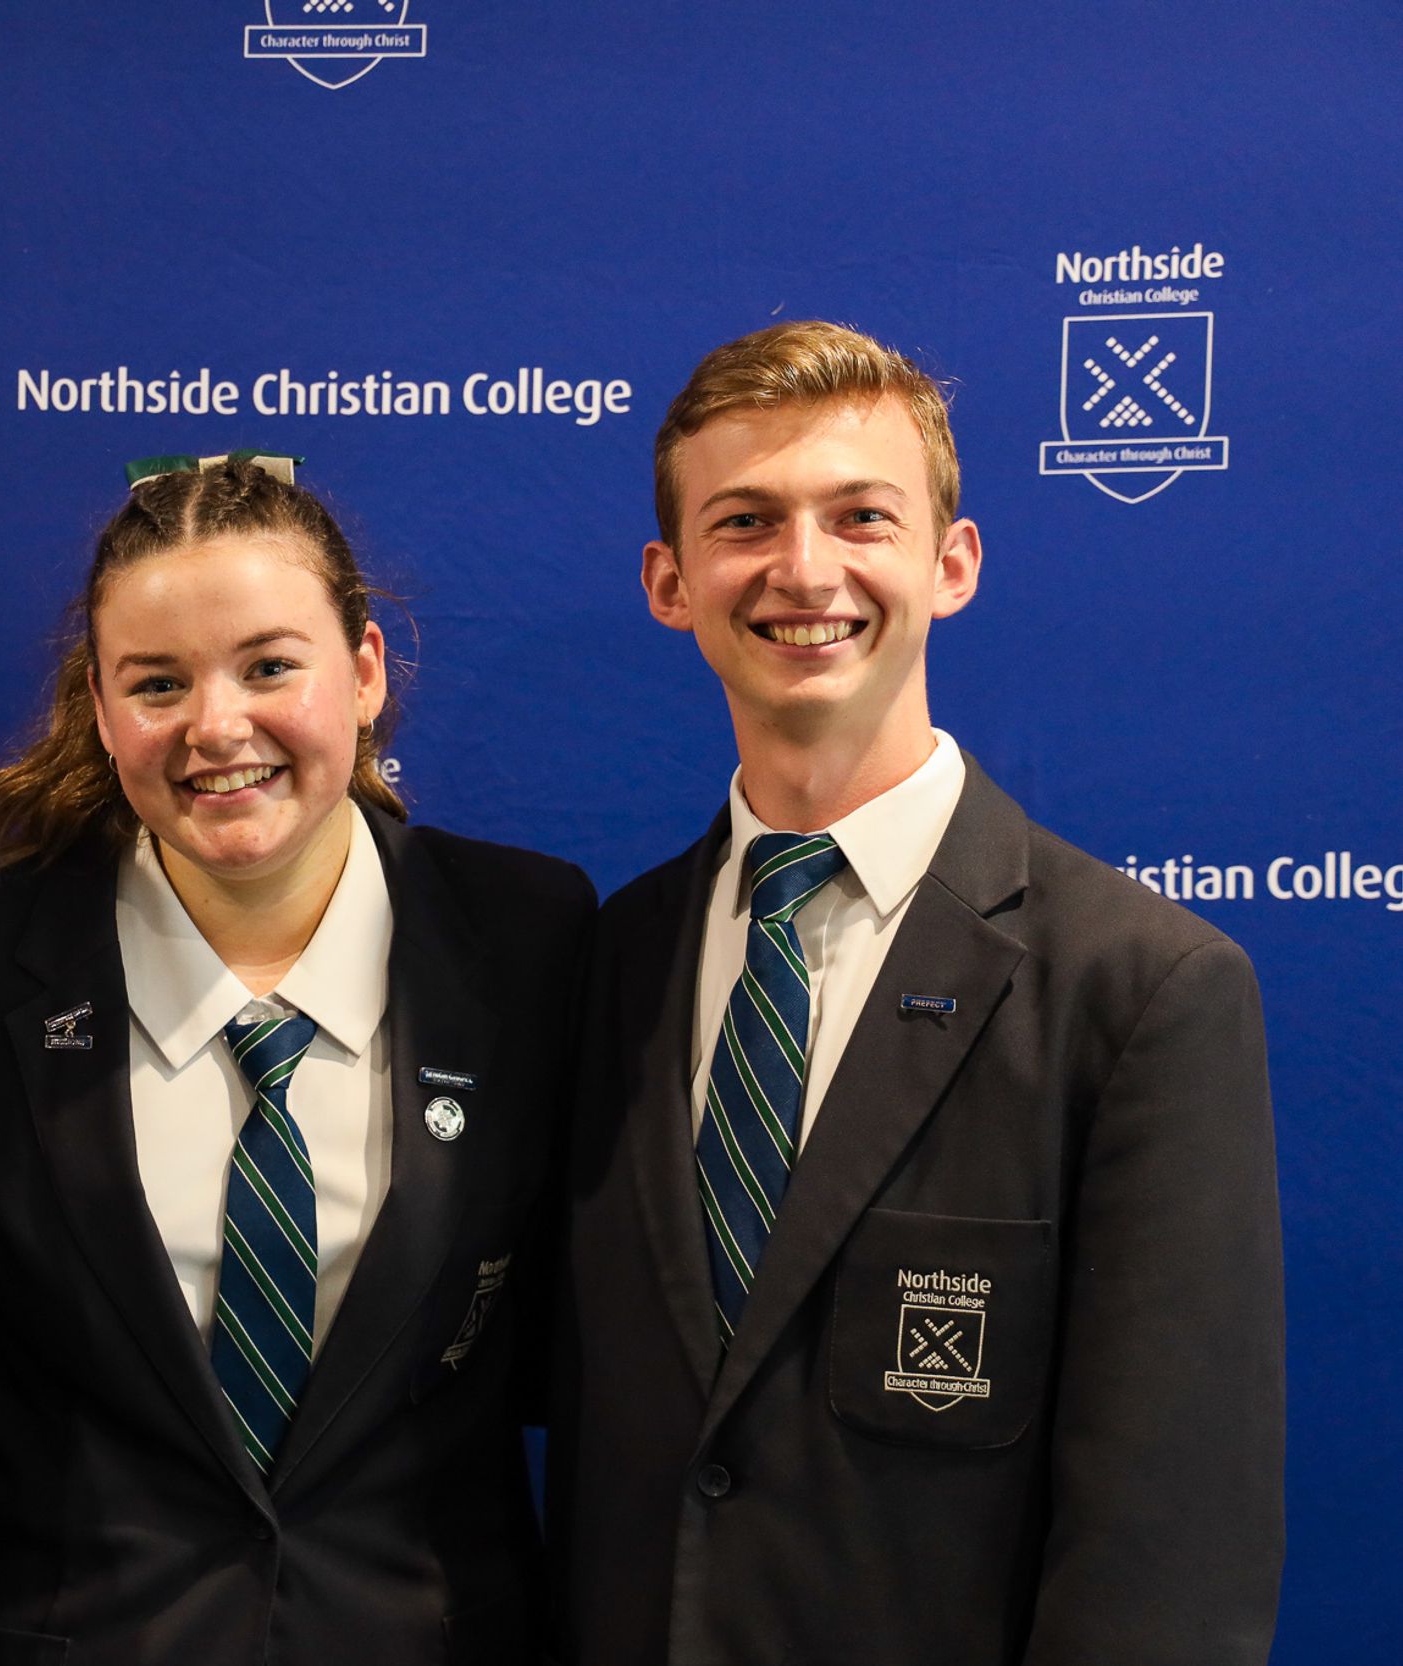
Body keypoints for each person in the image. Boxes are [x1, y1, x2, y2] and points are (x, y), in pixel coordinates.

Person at [546, 322, 1285, 1665]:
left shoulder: (1140, 991)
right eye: (745, 521)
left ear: (953, 563)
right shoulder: (612, 959)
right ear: (671, 581)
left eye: (860, 517)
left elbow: (1169, 1559)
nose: (803, 568)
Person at [0, 453, 594, 1666]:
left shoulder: (529, 939)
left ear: (364, 671)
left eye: (268, 666)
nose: (216, 727)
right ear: (101, 708)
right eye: (157, 683)